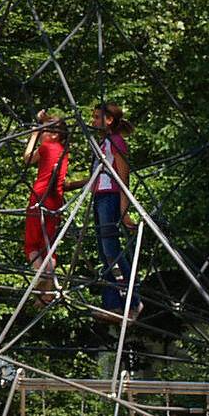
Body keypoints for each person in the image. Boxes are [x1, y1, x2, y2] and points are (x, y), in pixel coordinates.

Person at [90, 102, 135, 312]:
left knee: (111, 250)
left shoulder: (116, 141)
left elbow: (123, 176)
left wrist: (124, 210)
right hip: (100, 197)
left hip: (110, 198)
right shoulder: (103, 142)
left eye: (97, 117)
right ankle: (112, 305)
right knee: (103, 253)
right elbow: (99, 174)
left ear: (109, 120)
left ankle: (133, 301)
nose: (93, 121)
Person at [22, 111, 70, 300]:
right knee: (48, 245)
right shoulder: (63, 150)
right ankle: (48, 290)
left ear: (54, 134)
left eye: (45, 131)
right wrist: (43, 120)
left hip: (39, 197)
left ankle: (42, 275)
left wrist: (33, 135)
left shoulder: (47, 146)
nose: (42, 133)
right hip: (55, 200)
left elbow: (27, 158)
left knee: (31, 243)